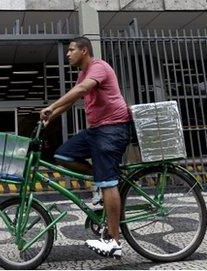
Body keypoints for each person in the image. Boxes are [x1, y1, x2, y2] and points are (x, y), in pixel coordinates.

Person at [40, 37, 131, 259]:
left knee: (107, 182)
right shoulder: (83, 73)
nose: (67, 54)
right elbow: (71, 101)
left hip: (113, 128)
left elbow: (82, 90)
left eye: (71, 50)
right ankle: (102, 176)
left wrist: (51, 106)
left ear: (84, 50)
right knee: (62, 155)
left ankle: (114, 242)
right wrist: (51, 115)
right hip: (96, 130)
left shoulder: (98, 67)